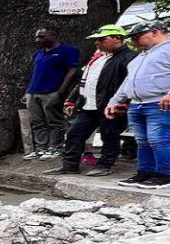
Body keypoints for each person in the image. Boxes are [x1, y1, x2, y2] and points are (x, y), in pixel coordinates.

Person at [105, 21, 170, 189]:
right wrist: (114, 101)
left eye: (137, 36)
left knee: (158, 139)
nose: (134, 41)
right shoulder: (142, 56)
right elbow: (128, 81)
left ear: (155, 32)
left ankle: (165, 175)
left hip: (162, 101)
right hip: (138, 103)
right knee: (142, 141)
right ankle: (145, 172)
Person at [43, 25, 138, 176]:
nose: (97, 42)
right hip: (88, 105)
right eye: (96, 40)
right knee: (74, 133)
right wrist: (72, 100)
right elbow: (84, 81)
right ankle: (69, 165)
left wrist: (123, 104)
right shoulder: (98, 58)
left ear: (117, 38)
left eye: (102, 39)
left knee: (109, 135)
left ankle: (104, 166)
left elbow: (132, 83)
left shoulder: (129, 57)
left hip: (111, 106)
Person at [23, 28, 80, 161]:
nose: (38, 40)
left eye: (42, 36)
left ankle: (55, 147)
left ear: (53, 36)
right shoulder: (38, 53)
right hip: (33, 92)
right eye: (37, 37)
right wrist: (28, 92)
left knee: (54, 121)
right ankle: (40, 148)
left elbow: (72, 71)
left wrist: (61, 90)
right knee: (37, 122)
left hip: (52, 91)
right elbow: (35, 73)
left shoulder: (68, 50)